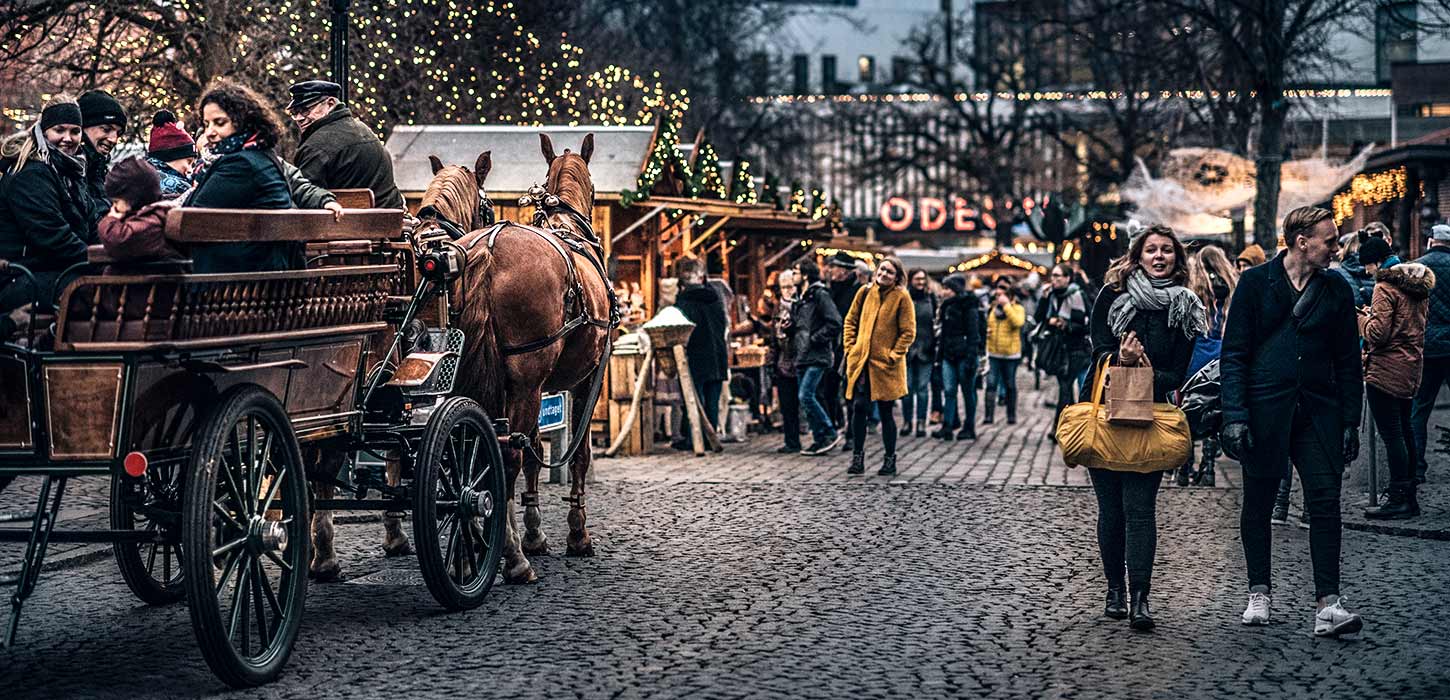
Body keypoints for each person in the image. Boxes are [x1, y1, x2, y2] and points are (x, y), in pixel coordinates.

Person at [1220, 206, 1365, 637]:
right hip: (1264, 412)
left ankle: (1328, 604)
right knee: (1259, 503)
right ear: (1302, 241)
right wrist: (1235, 416)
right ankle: (1259, 592)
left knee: (1324, 501)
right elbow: (1235, 354)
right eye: (1330, 239)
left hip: (1319, 413)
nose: (1336, 247)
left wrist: (1349, 422)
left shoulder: (1336, 288)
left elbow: (1347, 361)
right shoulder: (1255, 282)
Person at [1086, 224, 1204, 630]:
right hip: (1104, 410)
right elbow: (1096, 346)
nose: (1158, 256)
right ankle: (1114, 589)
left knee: (1140, 511)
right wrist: (1119, 357)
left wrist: (1145, 371)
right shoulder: (1112, 294)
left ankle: (1140, 597)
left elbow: (1179, 372)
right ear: (1137, 256)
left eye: (1166, 251)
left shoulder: (1186, 306)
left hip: (1149, 416)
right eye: (1150, 250)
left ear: (1176, 258)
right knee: (1111, 511)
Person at [185, 79, 299, 273]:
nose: (209, 132)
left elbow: (190, 219)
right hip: (266, 273)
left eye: (219, 123)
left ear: (243, 120)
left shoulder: (241, 165)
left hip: (241, 284)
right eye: (206, 124)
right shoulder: (262, 156)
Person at [1357, 237, 1435, 519]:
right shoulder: (1413, 284)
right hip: (1410, 365)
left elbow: (1378, 333)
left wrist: (1361, 319)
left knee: (1392, 435)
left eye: (1366, 265)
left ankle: (1399, 496)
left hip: (1386, 369)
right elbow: (1404, 323)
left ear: (1376, 262)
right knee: (1405, 430)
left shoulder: (1384, 287)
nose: (1366, 272)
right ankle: (1409, 493)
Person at [0, 95, 97, 315]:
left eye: (75, 131)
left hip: (55, 271)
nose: (68, 138)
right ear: (44, 132)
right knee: (98, 291)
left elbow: (92, 227)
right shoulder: (30, 174)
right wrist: (98, 261)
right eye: (59, 130)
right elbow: (52, 237)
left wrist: (112, 256)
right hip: (21, 278)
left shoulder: (72, 173)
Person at [842, 256, 915, 476]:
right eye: (882, 270)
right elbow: (850, 320)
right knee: (859, 407)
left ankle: (890, 459)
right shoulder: (865, 292)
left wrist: (893, 355)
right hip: (862, 361)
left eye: (889, 272)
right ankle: (857, 458)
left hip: (885, 365)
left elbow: (908, 332)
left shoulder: (902, 297)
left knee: (885, 412)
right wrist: (851, 348)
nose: (884, 274)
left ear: (897, 277)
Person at [287, 80, 406, 210]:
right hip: (388, 221)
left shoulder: (316, 146)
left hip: (346, 225)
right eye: (294, 112)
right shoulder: (363, 129)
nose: (299, 118)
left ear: (330, 103)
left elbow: (304, 199)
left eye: (305, 110)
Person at [1182, 246, 1239, 487]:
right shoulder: (1232, 287)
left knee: (1187, 408)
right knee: (1214, 409)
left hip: (1196, 351)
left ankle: (1184, 467)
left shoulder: (1195, 287)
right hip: (1221, 352)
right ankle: (1209, 468)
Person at [671, 257, 728, 448]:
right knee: (712, 399)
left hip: (696, 355)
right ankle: (710, 438)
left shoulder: (683, 302)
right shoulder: (716, 299)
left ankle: (693, 439)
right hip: (718, 354)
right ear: (702, 278)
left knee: (693, 399)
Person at [1411, 223, 1450, 485]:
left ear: (1430, 241)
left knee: (1419, 410)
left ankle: (1417, 469)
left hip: (1427, 347)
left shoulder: (1417, 268)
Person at [793, 260, 844, 455]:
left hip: (817, 354)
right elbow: (803, 324)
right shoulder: (802, 297)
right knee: (807, 398)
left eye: (796, 271)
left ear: (805, 275)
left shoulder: (819, 295)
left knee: (805, 395)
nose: (793, 274)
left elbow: (835, 322)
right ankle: (819, 439)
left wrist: (815, 339)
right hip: (802, 354)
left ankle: (830, 431)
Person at [1038, 263, 1091, 440]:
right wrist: (1044, 299)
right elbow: (1039, 318)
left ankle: (1060, 428)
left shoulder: (1078, 295)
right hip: (1059, 349)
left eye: (1059, 276)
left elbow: (1087, 323)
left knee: (1066, 388)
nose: (1055, 279)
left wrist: (1065, 324)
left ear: (1068, 278)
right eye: (1053, 276)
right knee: (1065, 389)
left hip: (1077, 349)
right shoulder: (1051, 296)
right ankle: (1071, 428)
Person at [97, 156, 183, 262]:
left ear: (132, 199)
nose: (114, 207)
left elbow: (119, 241)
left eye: (116, 202)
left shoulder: (152, 221)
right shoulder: (151, 216)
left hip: (143, 277)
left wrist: (111, 219)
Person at [935, 274, 981, 441]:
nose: (944, 292)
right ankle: (947, 425)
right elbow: (943, 334)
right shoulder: (946, 306)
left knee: (968, 391)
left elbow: (974, 334)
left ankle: (969, 426)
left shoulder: (969, 306)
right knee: (949, 390)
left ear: (956, 289)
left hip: (964, 355)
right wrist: (939, 356)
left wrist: (971, 357)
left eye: (947, 288)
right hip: (949, 354)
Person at [77, 89, 127, 215]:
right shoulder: (67, 171)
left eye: (118, 133)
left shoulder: (99, 171)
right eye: (106, 129)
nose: (114, 139)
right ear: (82, 127)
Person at [983, 282, 1025, 425]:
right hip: (994, 353)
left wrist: (1007, 306)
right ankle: (989, 416)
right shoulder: (992, 310)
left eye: (1001, 295)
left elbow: (1018, 323)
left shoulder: (1017, 308)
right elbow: (987, 325)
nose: (998, 297)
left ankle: (1011, 415)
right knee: (991, 384)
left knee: (1010, 384)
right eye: (997, 295)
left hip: (1010, 354)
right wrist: (986, 332)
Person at [901, 269, 937, 437]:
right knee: (907, 388)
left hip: (926, 349)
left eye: (923, 279)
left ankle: (921, 423)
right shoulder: (903, 298)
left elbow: (936, 324)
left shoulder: (932, 299)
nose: (921, 282)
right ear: (911, 280)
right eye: (917, 279)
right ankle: (907, 421)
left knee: (922, 388)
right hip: (906, 350)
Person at [771, 269, 803, 454]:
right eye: (783, 287)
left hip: (799, 359)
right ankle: (791, 441)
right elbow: (773, 336)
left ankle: (822, 434)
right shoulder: (777, 308)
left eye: (790, 286)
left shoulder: (800, 306)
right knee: (787, 404)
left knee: (804, 400)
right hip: (783, 361)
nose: (787, 291)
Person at [146, 110, 198, 198]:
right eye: (189, 162)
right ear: (170, 157)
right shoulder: (180, 187)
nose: (190, 170)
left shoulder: (142, 178)